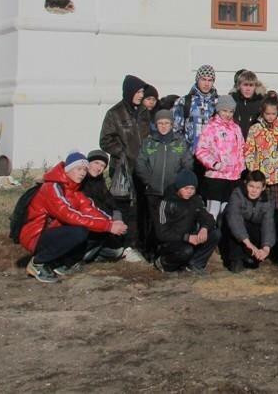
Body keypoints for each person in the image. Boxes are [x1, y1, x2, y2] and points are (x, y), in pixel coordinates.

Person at [20, 153, 125, 283]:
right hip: (36, 236)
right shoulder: (52, 187)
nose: (82, 173)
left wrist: (113, 223)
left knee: (98, 231)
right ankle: (38, 263)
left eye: (85, 170)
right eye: (78, 169)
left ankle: (61, 263)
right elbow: (68, 215)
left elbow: (90, 210)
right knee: (79, 231)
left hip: (55, 232)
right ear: (68, 169)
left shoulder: (75, 190)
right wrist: (108, 226)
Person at [99, 74, 151, 261]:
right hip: (123, 169)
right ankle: (124, 245)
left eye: (142, 92)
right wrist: (123, 152)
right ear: (129, 92)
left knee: (141, 207)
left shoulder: (145, 112)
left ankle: (138, 243)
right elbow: (105, 140)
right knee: (123, 206)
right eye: (138, 91)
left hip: (142, 168)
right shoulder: (115, 113)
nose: (140, 95)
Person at [134, 108, 195, 255]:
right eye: (160, 123)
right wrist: (148, 181)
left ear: (172, 124)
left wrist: (179, 184)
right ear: (155, 124)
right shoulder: (149, 143)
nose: (163, 126)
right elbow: (140, 164)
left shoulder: (179, 143)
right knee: (153, 222)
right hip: (153, 191)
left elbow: (187, 163)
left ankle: (169, 249)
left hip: (172, 191)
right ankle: (150, 250)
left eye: (167, 123)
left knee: (170, 222)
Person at [152, 170, 218, 274]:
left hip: (190, 239)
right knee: (186, 251)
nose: (189, 191)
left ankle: (195, 264)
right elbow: (161, 233)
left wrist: (204, 228)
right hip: (171, 242)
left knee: (215, 234)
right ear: (179, 187)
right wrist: (186, 237)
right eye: (186, 188)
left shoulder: (196, 200)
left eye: (192, 188)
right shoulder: (166, 202)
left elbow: (208, 217)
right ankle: (164, 263)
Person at [194, 94, 246, 218]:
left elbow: (242, 148)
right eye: (224, 110)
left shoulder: (236, 128)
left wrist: (241, 166)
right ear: (218, 110)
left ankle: (225, 237)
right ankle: (209, 235)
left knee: (229, 212)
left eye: (231, 111)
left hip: (234, 177)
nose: (228, 114)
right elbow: (201, 150)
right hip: (216, 176)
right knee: (213, 212)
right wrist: (215, 164)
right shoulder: (210, 127)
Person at [245, 97, 278, 215]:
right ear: (262, 112)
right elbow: (249, 151)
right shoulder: (255, 129)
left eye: (273, 114)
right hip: (263, 177)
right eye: (267, 113)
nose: (270, 116)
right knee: (262, 211)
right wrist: (254, 171)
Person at [221, 171, 276, 273]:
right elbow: (234, 220)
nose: (254, 191)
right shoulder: (237, 194)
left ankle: (250, 256)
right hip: (238, 229)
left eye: (257, 187)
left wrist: (266, 248)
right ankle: (235, 259)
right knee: (232, 227)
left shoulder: (268, 198)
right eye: (251, 186)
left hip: (254, 228)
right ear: (245, 183)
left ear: (263, 188)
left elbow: (268, 224)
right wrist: (249, 244)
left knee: (254, 264)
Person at [79, 150, 128, 262]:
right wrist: (109, 223)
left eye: (103, 166)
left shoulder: (100, 182)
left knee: (117, 251)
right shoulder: (80, 180)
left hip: (104, 224)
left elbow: (111, 203)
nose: (99, 168)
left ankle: (94, 253)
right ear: (88, 163)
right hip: (88, 224)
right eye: (96, 163)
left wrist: (118, 220)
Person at [172, 64, 218, 151]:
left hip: (212, 156)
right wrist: (181, 152)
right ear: (197, 80)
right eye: (203, 79)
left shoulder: (217, 103)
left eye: (210, 80)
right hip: (190, 154)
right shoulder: (184, 101)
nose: (206, 83)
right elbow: (176, 130)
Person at [231, 70, 264, 139]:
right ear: (239, 86)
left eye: (251, 85)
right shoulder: (233, 101)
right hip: (236, 142)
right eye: (245, 85)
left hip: (254, 142)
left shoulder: (261, 103)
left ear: (255, 87)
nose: (248, 89)